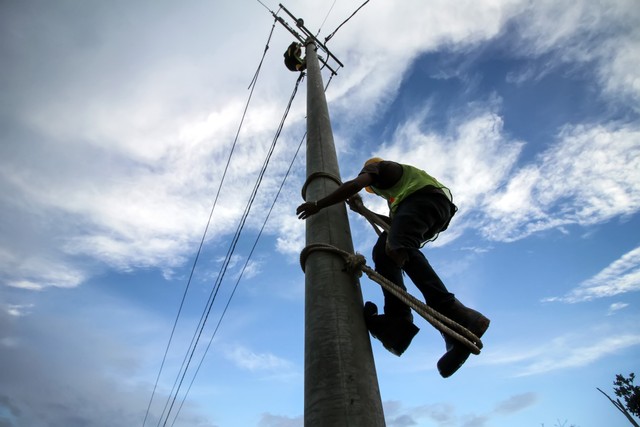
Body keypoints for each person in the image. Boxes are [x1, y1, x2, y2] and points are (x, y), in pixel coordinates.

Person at [296, 157, 490, 377]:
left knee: (399, 245)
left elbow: (353, 185)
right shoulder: (397, 198)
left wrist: (318, 204)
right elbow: (392, 225)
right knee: (384, 250)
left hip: (427, 201)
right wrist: (362, 210)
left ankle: (459, 315)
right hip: (430, 208)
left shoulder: (379, 166)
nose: (372, 188)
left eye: (369, 184)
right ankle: (398, 323)